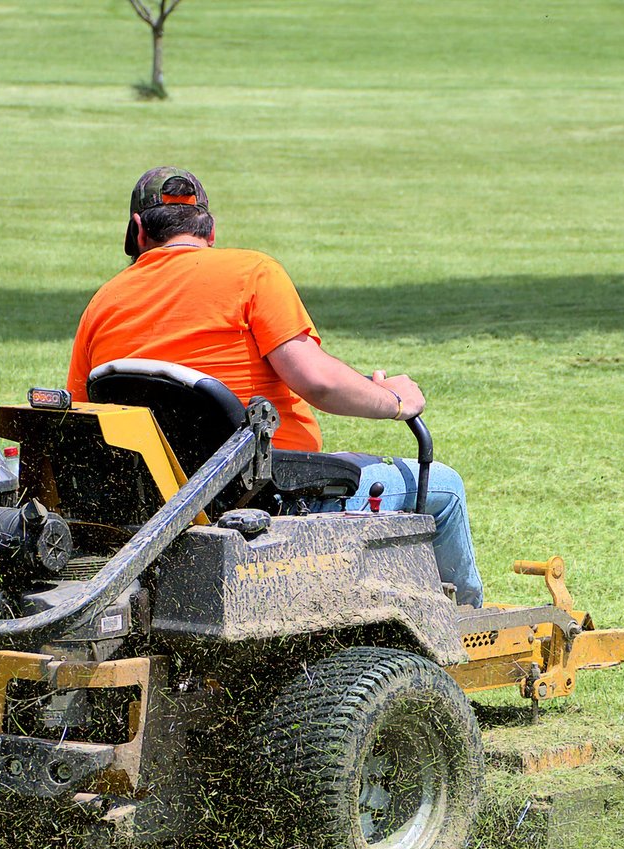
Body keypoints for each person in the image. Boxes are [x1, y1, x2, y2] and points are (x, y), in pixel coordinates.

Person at [66, 167, 484, 607]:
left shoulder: (103, 302)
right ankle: (459, 625)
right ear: (209, 230)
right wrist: (396, 400)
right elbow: (318, 382)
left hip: (159, 500)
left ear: (137, 231)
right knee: (445, 486)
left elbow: (79, 415)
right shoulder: (251, 273)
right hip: (270, 496)